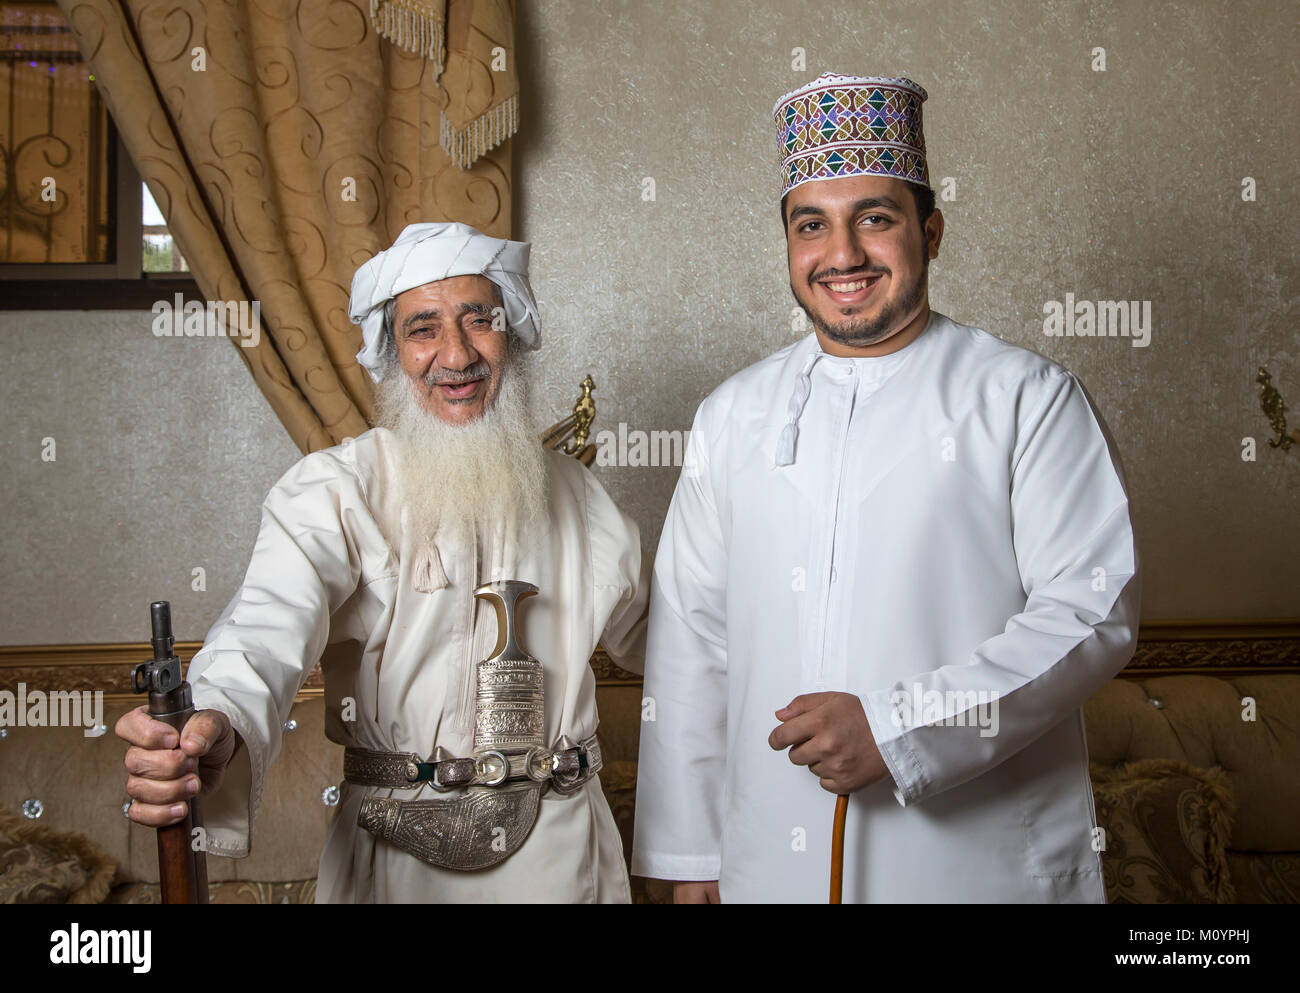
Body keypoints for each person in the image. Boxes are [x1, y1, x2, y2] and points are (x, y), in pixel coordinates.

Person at [631, 73, 1141, 903]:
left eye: (874, 217)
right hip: (767, 859)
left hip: (978, 864)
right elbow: (696, 640)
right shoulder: (731, 416)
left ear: (930, 232)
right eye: (812, 226)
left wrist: (899, 728)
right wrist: (689, 856)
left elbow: (1090, 611)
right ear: (788, 243)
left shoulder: (1027, 398)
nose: (843, 255)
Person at [117, 222, 648, 902]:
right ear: (392, 353)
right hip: (399, 863)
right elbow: (265, 626)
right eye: (423, 328)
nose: (455, 353)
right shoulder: (337, 490)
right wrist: (218, 719)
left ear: (510, 333)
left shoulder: (583, 500)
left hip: (566, 862)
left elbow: (676, 642)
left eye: (478, 320)